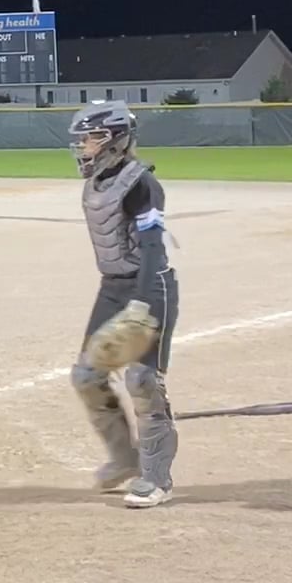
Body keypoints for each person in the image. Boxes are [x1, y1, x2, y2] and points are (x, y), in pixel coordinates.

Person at [66, 100, 180, 509]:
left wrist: (142, 304)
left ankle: (157, 479)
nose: (84, 146)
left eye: (92, 138)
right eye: (82, 139)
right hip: (112, 287)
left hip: (150, 286)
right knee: (87, 375)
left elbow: (151, 248)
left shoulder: (142, 184)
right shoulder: (97, 182)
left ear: (116, 140)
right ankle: (124, 458)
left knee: (143, 382)